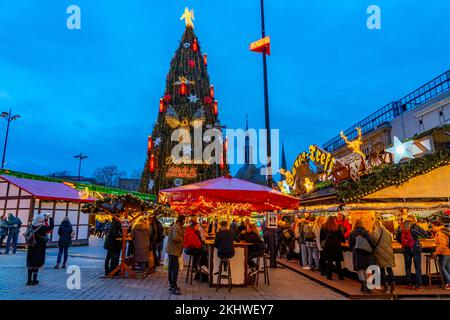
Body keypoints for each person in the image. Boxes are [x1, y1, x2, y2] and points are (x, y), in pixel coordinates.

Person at [395, 216, 427, 290]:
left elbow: (397, 238)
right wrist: (417, 239)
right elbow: (425, 234)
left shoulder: (400, 227)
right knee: (417, 267)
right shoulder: (414, 227)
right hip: (415, 248)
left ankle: (409, 283)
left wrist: (404, 243)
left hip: (405, 249)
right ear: (412, 220)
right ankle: (418, 285)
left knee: (407, 266)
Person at [26, 213, 54, 285]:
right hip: (39, 248)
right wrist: (50, 218)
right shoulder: (42, 228)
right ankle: (35, 280)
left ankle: (29, 280)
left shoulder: (31, 225)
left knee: (30, 264)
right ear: (41, 220)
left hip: (31, 246)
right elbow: (51, 227)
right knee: (36, 264)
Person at [371, 219, 396, 294]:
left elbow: (371, 244)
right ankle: (393, 288)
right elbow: (391, 242)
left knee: (382, 271)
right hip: (389, 254)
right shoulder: (388, 233)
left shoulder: (372, 234)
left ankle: (386, 288)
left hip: (379, 254)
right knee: (390, 270)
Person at [349, 219, 374, 293]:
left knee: (360, 270)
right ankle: (369, 287)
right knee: (366, 269)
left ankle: (364, 286)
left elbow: (350, 245)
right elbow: (371, 241)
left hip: (356, 253)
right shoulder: (365, 232)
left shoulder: (352, 233)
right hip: (366, 253)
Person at [320, 216, 345, 280]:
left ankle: (329, 276)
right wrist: (343, 241)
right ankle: (341, 276)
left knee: (329, 262)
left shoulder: (324, 227)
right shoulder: (337, 227)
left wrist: (322, 244)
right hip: (336, 246)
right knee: (338, 262)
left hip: (328, 246)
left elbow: (321, 237)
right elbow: (342, 237)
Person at [166, 215, 185, 295]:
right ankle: (173, 286)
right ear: (182, 220)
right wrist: (182, 238)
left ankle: (172, 285)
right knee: (174, 268)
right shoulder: (177, 227)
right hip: (173, 250)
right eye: (184, 220)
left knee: (171, 268)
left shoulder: (176, 226)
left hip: (172, 250)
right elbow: (175, 238)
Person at [431, 221, 450, 290]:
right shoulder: (445, 230)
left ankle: (449, 283)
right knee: (448, 268)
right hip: (448, 252)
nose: (432, 227)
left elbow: (442, 245)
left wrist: (436, 253)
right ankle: (448, 283)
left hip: (444, 253)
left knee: (442, 268)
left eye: (432, 226)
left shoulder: (440, 233)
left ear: (436, 225)